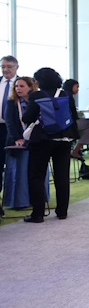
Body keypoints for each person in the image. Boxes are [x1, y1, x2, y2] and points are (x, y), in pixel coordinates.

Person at [22, 67, 80, 223]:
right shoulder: (66, 95)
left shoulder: (37, 96)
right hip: (65, 139)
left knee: (37, 176)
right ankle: (62, 212)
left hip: (42, 140)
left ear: (39, 81)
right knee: (62, 176)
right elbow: (74, 117)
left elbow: (28, 117)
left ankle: (38, 214)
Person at [3, 77, 38, 210]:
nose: (18, 89)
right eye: (16, 86)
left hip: (34, 141)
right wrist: (17, 138)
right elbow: (9, 122)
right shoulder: (11, 103)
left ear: (30, 87)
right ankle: (18, 201)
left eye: (22, 86)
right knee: (18, 172)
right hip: (16, 142)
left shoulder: (35, 102)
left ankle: (37, 199)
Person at [0, 55, 20, 217]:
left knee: (13, 164)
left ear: (16, 67)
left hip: (15, 130)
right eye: (3, 67)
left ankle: (16, 199)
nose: (5, 70)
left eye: (9, 66)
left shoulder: (22, 84)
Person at [62, 79, 89, 163]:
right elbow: (73, 114)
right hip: (70, 125)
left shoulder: (65, 95)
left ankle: (75, 152)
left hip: (67, 124)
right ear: (72, 86)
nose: (78, 89)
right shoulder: (69, 96)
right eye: (77, 87)